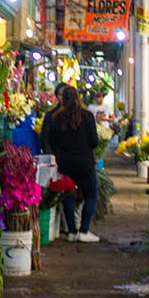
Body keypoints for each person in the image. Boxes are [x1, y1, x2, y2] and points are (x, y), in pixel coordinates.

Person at [42, 84, 101, 243]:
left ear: (63, 99)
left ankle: (71, 232)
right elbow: (94, 141)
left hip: (65, 163)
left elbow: (52, 142)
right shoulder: (87, 116)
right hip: (84, 162)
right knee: (91, 196)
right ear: (77, 98)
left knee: (68, 194)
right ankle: (83, 230)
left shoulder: (56, 118)